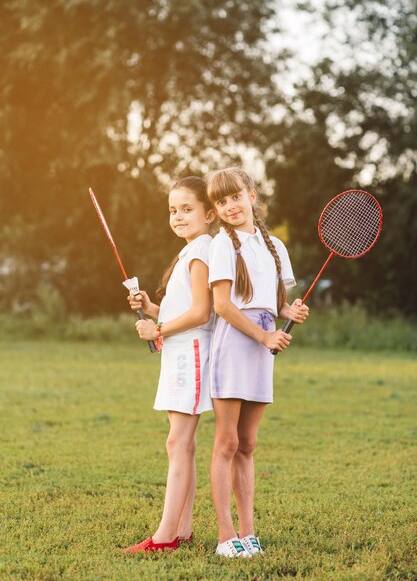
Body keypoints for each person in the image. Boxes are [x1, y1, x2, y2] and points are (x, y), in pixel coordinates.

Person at [206, 167, 309, 558]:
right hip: (236, 342)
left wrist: (290, 311)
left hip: (263, 345)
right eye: (221, 201)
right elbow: (222, 306)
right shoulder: (222, 246)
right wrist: (264, 334)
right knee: (227, 442)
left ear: (252, 195)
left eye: (235, 197)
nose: (230, 206)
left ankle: (249, 534)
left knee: (248, 444)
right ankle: (225, 536)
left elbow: (276, 303)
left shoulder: (275, 247)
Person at [121, 176, 216, 554]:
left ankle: (164, 538)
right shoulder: (190, 251)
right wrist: (151, 308)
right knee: (183, 445)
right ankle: (183, 528)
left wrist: (156, 328)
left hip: (190, 354)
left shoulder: (199, 253)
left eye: (187, 209)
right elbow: (183, 311)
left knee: (178, 442)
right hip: (180, 353)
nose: (177, 216)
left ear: (209, 214)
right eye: (173, 210)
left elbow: (202, 313)